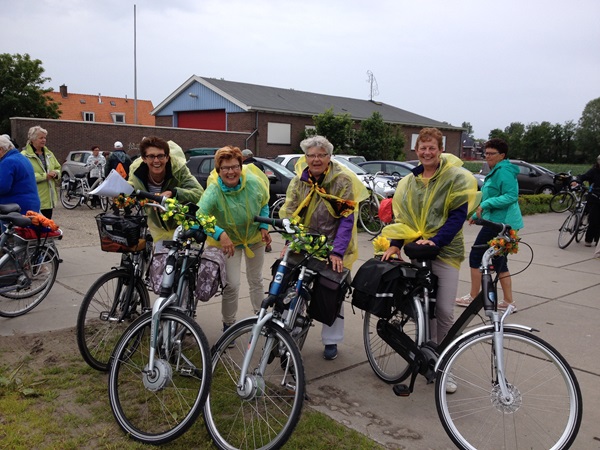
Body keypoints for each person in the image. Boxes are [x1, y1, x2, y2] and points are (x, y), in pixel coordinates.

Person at [380, 127, 479, 391]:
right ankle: (425, 354)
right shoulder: (409, 182)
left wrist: (436, 241)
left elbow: (457, 216)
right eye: (422, 148)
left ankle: (444, 364)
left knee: (445, 310)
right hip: (418, 250)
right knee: (423, 309)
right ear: (416, 151)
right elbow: (404, 218)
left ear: (440, 149)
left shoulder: (454, 178)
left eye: (431, 147)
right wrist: (394, 245)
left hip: (445, 250)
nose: (426, 152)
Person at [278, 135, 368, 360]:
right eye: (311, 155)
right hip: (304, 241)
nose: (316, 159)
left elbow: (346, 219)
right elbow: (290, 211)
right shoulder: (299, 180)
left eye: (321, 155)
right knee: (291, 287)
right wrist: (291, 241)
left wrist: (337, 251)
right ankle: (291, 331)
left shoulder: (342, 181)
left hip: (333, 244)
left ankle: (331, 340)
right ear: (305, 158)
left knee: (331, 289)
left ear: (329, 157)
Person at [196, 145, 272, 333]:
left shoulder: (253, 183)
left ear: (241, 166)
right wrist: (220, 234)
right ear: (218, 170)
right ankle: (229, 324)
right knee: (232, 285)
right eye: (225, 168)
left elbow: (264, 203)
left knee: (256, 281)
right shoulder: (214, 190)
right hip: (229, 243)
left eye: (234, 166)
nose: (231, 172)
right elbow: (200, 215)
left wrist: (264, 226)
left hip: (254, 239)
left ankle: (259, 319)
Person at [455, 138, 523, 312]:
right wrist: (476, 214)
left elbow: (511, 196)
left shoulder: (503, 171)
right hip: (497, 221)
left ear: (502, 155)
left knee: (477, 254)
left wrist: (485, 205)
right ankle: (508, 301)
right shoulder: (497, 170)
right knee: (500, 260)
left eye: (492, 154)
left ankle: (473, 296)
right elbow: (488, 197)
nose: (487, 157)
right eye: (486, 153)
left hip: (501, 224)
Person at [128, 136, 204, 244]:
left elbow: (199, 193)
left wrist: (174, 193)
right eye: (151, 156)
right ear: (144, 158)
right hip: (156, 226)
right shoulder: (136, 172)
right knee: (158, 258)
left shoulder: (178, 170)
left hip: (181, 226)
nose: (156, 161)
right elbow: (131, 186)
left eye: (160, 156)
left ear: (167, 157)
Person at [21, 126, 61, 219]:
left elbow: (58, 167)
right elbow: (24, 176)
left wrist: (55, 173)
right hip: (34, 199)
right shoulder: (24, 156)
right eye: (41, 138)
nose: (44, 140)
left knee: (46, 227)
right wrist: (45, 176)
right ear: (32, 139)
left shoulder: (49, 154)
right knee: (34, 229)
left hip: (49, 201)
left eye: (45, 138)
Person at [0, 134, 40, 214]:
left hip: (14, 208)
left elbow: (2, 187)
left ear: (0, 149)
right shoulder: (21, 158)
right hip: (31, 205)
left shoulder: (8, 162)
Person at [572, 154, 600, 247]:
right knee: (593, 219)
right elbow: (583, 177)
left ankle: (597, 239)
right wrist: (577, 181)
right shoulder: (594, 171)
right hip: (595, 197)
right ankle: (589, 239)